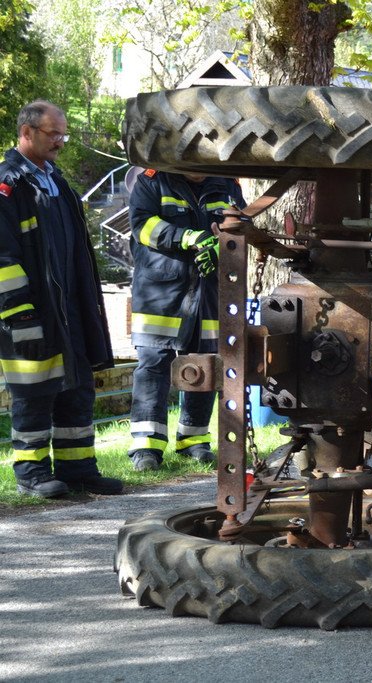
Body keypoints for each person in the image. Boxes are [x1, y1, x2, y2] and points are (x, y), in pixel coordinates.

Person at [0, 100, 122, 497]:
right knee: (34, 391)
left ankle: (78, 469)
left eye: (63, 135)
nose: (60, 142)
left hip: (69, 307)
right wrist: (20, 314)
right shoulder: (8, 185)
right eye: (53, 134)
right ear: (26, 132)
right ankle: (31, 473)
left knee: (76, 387)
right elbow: (2, 259)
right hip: (29, 312)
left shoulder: (56, 181)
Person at [126, 168, 244, 471]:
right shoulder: (152, 180)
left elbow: (242, 227)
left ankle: (194, 440)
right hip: (160, 292)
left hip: (208, 291)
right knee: (154, 364)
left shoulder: (226, 183)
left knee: (204, 363)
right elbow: (142, 226)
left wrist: (220, 249)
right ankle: (146, 446)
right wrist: (186, 237)